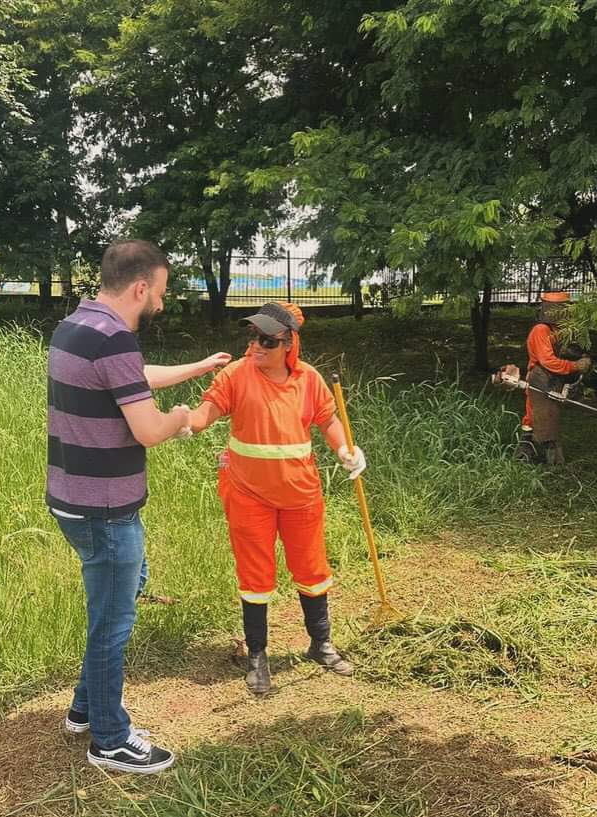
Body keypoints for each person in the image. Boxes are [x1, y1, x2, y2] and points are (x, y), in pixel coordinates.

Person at [47, 239, 230, 773]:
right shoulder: (116, 340)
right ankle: (109, 738)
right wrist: (183, 418)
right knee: (113, 621)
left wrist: (200, 367)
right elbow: (149, 428)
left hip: (72, 500)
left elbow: (130, 379)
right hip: (104, 508)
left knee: (121, 593)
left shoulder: (77, 326)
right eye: (163, 293)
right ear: (141, 287)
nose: (163, 305)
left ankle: (85, 709)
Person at [186, 302, 366, 696]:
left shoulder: (311, 380)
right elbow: (206, 412)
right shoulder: (236, 375)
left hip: (300, 492)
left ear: (289, 344)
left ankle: (320, 644)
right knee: (255, 575)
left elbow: (329, 420)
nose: (256, 346)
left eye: (267, 340)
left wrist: (345, 449)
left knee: (311, 567)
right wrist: (184, 424)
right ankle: (257, 656)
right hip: (247, 493)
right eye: (253, 337)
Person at [516, 291, 592, 465]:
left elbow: (565, 352)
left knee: (548, 416)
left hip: (552, 378)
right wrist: (574, 366)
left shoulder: (559, 331)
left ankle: (532, 457)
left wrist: (582, 358)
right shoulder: (540, 330)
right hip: (540, 378)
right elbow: (547, 360)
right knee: (536, 416)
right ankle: (531, 458)